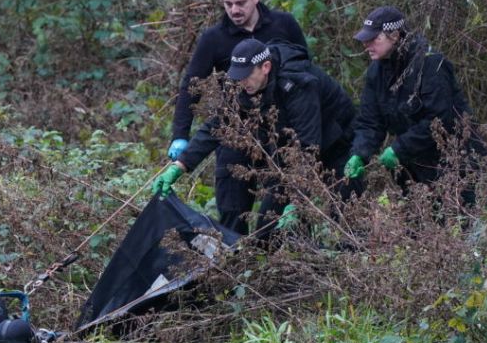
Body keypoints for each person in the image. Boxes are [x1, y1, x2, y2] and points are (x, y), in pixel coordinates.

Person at [154, 38, 359, 236]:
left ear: (266, 67)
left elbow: (308, 147)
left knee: (346, 215)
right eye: (238, 76)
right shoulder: (243, 85)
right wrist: (180, 165)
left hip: (336, 144)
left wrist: (296, 201)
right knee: (268, 232)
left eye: (246, 75)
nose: (242, 82)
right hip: (288, 154)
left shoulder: (297, 85)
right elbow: (217, 125)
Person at [167, 0, 309, 234]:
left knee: (280, 208)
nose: (234, 9)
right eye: (227, 3)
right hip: (235, 129)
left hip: (280, 130)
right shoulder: (214, 39)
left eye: (240, 2)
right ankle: (236, 267)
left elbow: (305, 72)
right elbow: (191, 87)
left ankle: (290, 263)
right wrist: (180, 135)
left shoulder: (283, 24)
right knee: (232, 209)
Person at [343, 6, 485, 208]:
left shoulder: (431, 64)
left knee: (462, 222)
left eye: (374, 39)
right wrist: (360, 152)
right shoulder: (376, 71)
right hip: (414, 167)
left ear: (394, 35)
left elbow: (440, 119)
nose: (367, 44)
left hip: (456, 161)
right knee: (419, 227)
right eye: (366, 39)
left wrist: (399, 148)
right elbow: (370, 121)